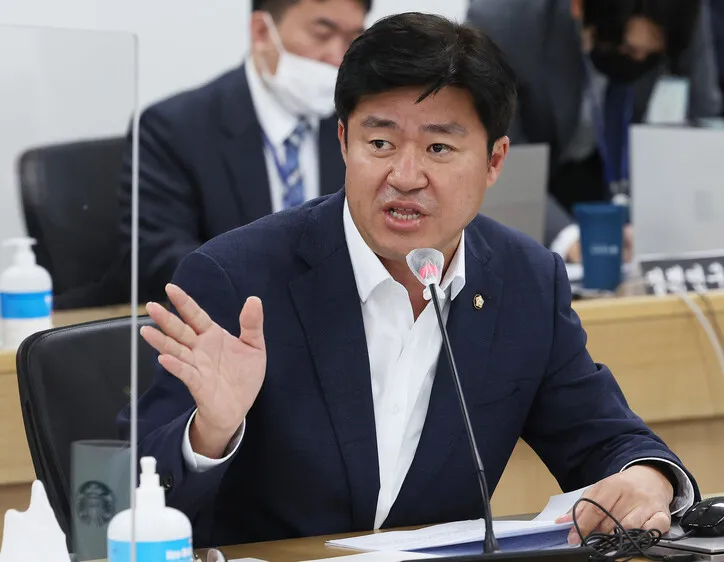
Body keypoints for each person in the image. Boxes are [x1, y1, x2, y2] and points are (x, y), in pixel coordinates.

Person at [121, 12, 698, 549]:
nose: (405, 175)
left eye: (439, 147)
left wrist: (647, 478)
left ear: (495, 161)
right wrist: (209, 435)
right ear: (343, 142)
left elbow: (606, 438)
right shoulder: (238, 277)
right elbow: (121, 498)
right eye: (380, 143)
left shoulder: (525, 282)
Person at [117, 0, 371, 303]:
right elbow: (159, 257)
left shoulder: (361, 125)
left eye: (352, 39)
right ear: (262, 31)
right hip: (229, 319)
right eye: (322, 34)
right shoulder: (174, 128)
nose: (338, 57)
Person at [466, 0, 721, 263]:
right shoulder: (504, 20)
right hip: (537, 173)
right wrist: (568, 238)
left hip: (617, 173)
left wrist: (669, 224)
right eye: (627, 49)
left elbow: (702, 118)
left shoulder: (682, 10)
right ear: (579, 7)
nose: (638, 60)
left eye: (651, 54)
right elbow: (495, 150)